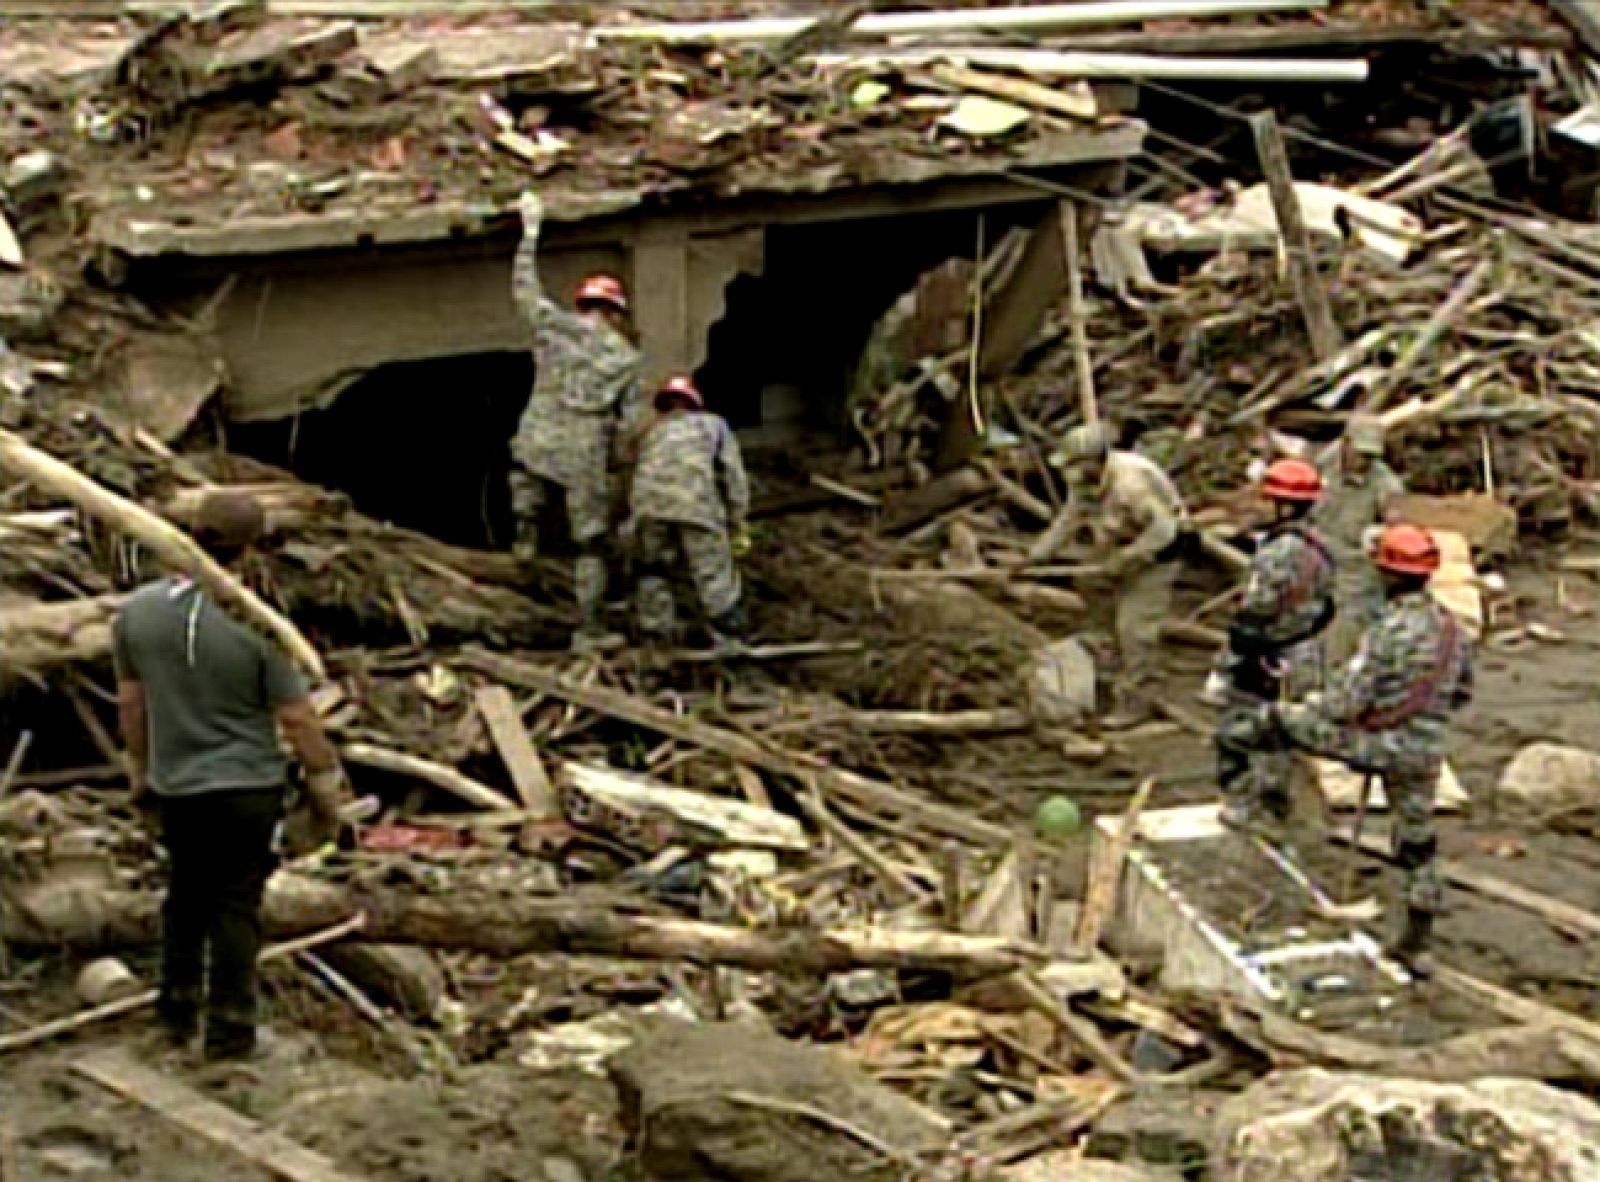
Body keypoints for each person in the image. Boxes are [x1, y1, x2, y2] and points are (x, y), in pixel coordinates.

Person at [114, 492, 345, 1060]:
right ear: (253, 548)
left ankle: (174, 1015)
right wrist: (325, 782)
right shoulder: (256, 625)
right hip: (246, 789)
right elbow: (296, 717)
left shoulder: (137, 613)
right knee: (236, 907)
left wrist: (140, 774)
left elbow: (132, 704)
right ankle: (230, 1033)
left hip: (178, 786)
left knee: (185, 898)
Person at [1214, 523, 1473, 971]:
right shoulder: (1452, 630)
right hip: (1425, 750)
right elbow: (1462, 693)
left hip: (1373, 743)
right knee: (1417, 838)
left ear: (1388, 575)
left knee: (1251, 728)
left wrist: (1305, 708)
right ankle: (1417, 939)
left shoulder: (1387, 630)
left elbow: (1344, 702)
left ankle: (1253, 807)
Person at [508, 189, 640, 653]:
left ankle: (520, 576)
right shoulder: (625, 358)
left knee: (527, 515)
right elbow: (627, 426)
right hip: (583, 451)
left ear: (583, 304)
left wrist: (530, 233)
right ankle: (586, 628)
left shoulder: (555, 329)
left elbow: (525, 289)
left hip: (536, 441)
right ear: (616, 312)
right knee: (590, 545)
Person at [1211, 459, 1337, 831]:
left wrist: (1231, 658)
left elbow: (1257, 609)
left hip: (1272, 653)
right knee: (1284, 731)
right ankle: (1278, 803)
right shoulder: (1320, 544)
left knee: (1247, 731)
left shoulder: (1279, 552)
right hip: (1306, 648)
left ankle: (1257, 808)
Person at [1052, 421, 1187, 724]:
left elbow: (1165, 530)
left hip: (1159, 549)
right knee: (1091, 587)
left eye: (1075, 464)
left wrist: (1128, 558)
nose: (1070, 471)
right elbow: (1068, 519)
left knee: (1135, 628)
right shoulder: (1084, 481)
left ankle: (1138, 699)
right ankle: (1110, 667)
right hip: (1120, 539)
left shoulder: (1131, 484)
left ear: (1095, 460)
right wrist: (1033, 556)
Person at [627, 375, 750, 650]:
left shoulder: (651, 432)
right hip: (695, 506)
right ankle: (729, 639)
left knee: (652, 569)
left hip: (648, 508)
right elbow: (733, 475)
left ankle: (655, 635)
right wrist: (737, 517)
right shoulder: (714, 426)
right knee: (712, 572)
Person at [1314, 414, 1404, 664]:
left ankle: (1334, 671)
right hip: (1316, 548)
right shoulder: (1325, 462)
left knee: (1351, 618)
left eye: (1371, 456)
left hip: (1353, 564)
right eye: (1360, 453)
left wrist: (1383, 532)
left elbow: (1395, 520)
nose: (1364, 462)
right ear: (1345, 444)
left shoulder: (1385, 484)